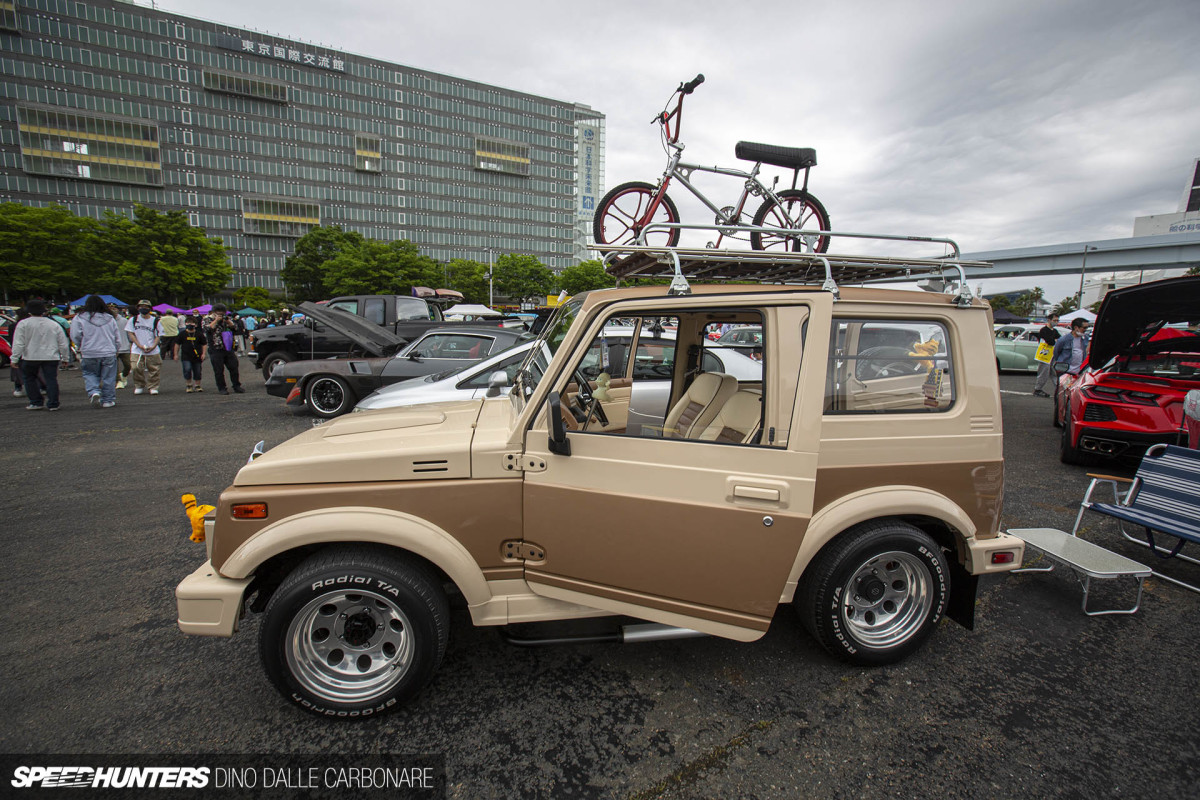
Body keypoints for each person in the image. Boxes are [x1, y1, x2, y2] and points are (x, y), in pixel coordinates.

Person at [11, 298, 70, 410]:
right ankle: (53, 403)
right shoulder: (53, 324)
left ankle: (36, 402)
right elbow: (63, 342)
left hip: (30, 356)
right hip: (51, 356)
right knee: (51, 379)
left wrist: (14, 358)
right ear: (44, 311)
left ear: (29, 311)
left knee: (29, 378)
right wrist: (65, 357)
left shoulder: (23, 324)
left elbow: (18, 343)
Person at [69, 294, 123, 408]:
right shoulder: (109, 318)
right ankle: (108, 400)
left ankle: (94, 391)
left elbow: (75, 335)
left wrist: (81, 345)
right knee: (109, 377)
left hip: (89, 351)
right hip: (108, 351)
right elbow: (116, 336)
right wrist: (116, 348)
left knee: (90, 373)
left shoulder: (79, 317)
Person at [125, 300, 163, 395]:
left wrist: (153, 346)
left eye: (146, 307)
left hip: (152, 349)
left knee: (154, 369)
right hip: (137, 349)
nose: (143, 308)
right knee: (136, 367)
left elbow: (158, 335)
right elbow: (131, 333)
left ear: (150, 309)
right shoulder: (133, 320)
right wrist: (139, 345)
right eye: (141, 306)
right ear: (138, 308)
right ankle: (139, 385)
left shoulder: (155, 321)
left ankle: (153, 386)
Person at [205, 303, 244, 394]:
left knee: (234, 367)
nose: (221, 315)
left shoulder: (226, 319)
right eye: (219, 314)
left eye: (222, 313)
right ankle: (222, 388)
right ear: (214, 312)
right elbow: (207, 329)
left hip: (228, 347)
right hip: (215, 348)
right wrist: (216, 321)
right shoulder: (207, 319)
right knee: (218, 370)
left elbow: (236, 328)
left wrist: (228, 322)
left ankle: (236, 385)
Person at [1032, 313, 1061, 397]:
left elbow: (1059, 339)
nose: (1056, 322)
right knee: (1044, 372)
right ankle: (1038, 389)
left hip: (1052, 355)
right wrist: (1054, 340)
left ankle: (1058, 389)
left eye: (1057, 320)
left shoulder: (1055, 331)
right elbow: (1050, 341)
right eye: (1054, 320)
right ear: (1049, 320)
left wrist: (1055, 340)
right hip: (1044, 355)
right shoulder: (1044, 330)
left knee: (1054, 372)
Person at [178, 315, 207, 393]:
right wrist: (175, 354)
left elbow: (204, 344)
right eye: (188, 323)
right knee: (187, 369)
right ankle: (189, 385)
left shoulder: (199, 334)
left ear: (196, 325)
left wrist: (204, 354)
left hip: (197, 356)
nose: (190, 324)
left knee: (197, 370)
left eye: (192, 323)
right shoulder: (182, 334)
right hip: (186, 356)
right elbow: (177, 344)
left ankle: (197, 385)